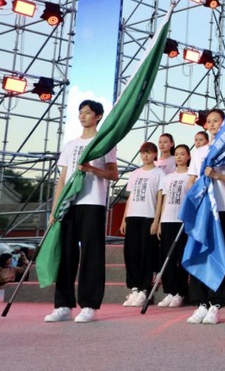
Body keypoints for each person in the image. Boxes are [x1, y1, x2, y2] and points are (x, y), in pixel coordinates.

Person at [45, 100, 119, 323]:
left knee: (91, 254)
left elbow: (113, 174)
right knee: (66, 254)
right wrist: (54, 208)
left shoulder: (104, 143)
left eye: (87, 112)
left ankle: (89, 305)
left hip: (92, 202)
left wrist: (91, 169)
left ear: (98, 116)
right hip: (69, 204)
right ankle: (63, 305)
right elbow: (62, 179)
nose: (82, 116)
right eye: (80, 113)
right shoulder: (70, 145)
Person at [185, 109, 225, 325]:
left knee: (222, 255)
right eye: (209, 121)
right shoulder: (199, 151)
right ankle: (201, 303)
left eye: (217, 120)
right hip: (202, 211)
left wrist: (216, 175)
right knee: (200, 252)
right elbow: (191, 181)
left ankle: (217, 303)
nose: (213, 124)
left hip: (223, 208)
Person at [121, 142, 165, 307]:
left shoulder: (159, 173)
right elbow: (130, 197)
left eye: (148, 152)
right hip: (133, 216)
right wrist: (124, 218)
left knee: (146, 253)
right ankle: (134, 288)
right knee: (131, 253)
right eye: (142, 152)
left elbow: (160, 198)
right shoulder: (135, 174)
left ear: (154, 154)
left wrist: (156, 220)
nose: (145, 155)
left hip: (148, 216)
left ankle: (144, 289)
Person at [156, 144, 191, 308]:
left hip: (182, 221)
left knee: (181, 257)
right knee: (166, 257)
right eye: (176, 154)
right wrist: (159, 222)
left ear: (188, 156)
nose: (179, 157)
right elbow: (163, 200)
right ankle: (169, 291)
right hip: (167, 220)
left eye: (182, 154)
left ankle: (180, 292)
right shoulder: (168, 177)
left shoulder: (191, 176)